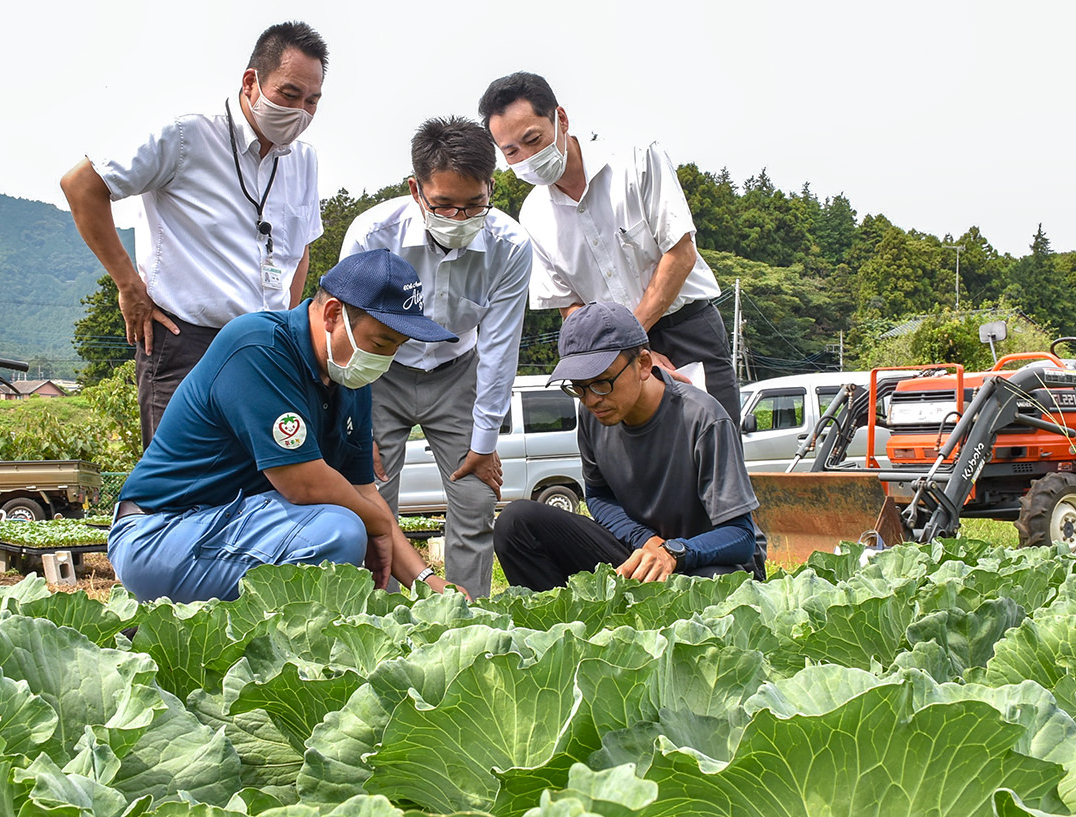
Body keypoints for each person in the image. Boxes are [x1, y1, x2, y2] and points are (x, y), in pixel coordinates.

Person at [107, 249, 462, 603]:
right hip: (160, 533)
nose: (386, 359)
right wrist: (379, 525)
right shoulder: (258, 346)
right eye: (382, 342)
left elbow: (364, 492)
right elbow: (303, 484)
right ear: (333, 314)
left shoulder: (349, 381)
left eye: (398, 348)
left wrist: (427, 584)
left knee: (346, 521)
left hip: (235, 525)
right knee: (337, 533)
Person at [61, 21, 328, 447]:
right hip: (187, 343)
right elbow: (82, 185)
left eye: (312, 101)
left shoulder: (304, 160)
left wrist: (284, 328)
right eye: (289, 94)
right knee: (180, 485)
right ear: (250, 82)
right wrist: (129, 286)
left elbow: (300, 252)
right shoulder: (187, 133)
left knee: (262, 482)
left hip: (265, 347)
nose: (300, 111)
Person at [479, 71, 741, 426]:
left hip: (686, 331)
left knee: (715, 452)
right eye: (511, 151)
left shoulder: (636, 161)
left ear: (561, 119)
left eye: (533, 139)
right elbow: (569, 305)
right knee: (638, 465)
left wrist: (633, 340)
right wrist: (627, 353)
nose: (527, 156)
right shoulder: (534, 216)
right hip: (611, 359)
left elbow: (680, 254)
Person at [341, 117, 532, 599]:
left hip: (458, 375)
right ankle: (373, 621)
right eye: (444, 204)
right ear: (415, 189)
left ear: (491, 186)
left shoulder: (510, 246)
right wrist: (354, 422)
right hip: (380, 375)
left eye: (473, 205)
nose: (459, 216)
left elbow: (499, 346)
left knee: (474, 497)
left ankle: (466, 624)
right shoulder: (372, 234)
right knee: (369, 500)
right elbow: (347, 331)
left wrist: (485, 440)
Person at [493, 302, 765, 591]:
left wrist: (673, 552)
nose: (591, 399)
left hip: (707, 560)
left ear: (644, 365)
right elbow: (598, 496)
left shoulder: (703, 417)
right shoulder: (592, 413)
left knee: (708, 584)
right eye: (578, 387)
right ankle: (572, 629)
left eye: (601, 383)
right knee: (516, 522)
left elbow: (741, 536)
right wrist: (645, 541)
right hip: (641, 553)